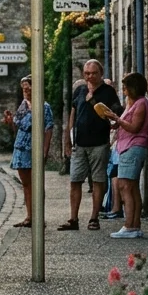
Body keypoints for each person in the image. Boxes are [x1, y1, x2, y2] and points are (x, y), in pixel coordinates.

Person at [58, 60, 122, 231]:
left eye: (93, 73)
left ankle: (94, 218)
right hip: (80, 143)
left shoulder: (108, 92)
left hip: (99, 143)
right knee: (75, 180)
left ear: (100, 74)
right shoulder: (80, 90)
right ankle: (73, 219)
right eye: (87, 73)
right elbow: (73, 114)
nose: (90, 77)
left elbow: (114, 114)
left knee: (98, 180)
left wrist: (93, 101)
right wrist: (68, 138)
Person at [102, 72, 148, 239]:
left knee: (125, 186)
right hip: (128, 147)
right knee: (132, 187)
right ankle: (134, 225)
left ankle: (129, 225)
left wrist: (117, 118)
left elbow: (134, 127)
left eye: (125, 87)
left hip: (133, 147)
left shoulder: (141, 104)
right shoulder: (133, 103)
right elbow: (125, 124)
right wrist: (115, 122)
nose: (123, 90)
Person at [4, 75, 53, 228]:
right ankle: (29, 216)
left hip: (34, 147)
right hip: (21, 147)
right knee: (25, 184)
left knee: (36, 183)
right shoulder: (23, 105)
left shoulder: (44, 107)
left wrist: (45, 150)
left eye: (28, 88)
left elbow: (48, 129)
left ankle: (39, 217)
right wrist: (10, 121)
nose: (26, 91)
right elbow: (17, 127)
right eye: (24, 89)